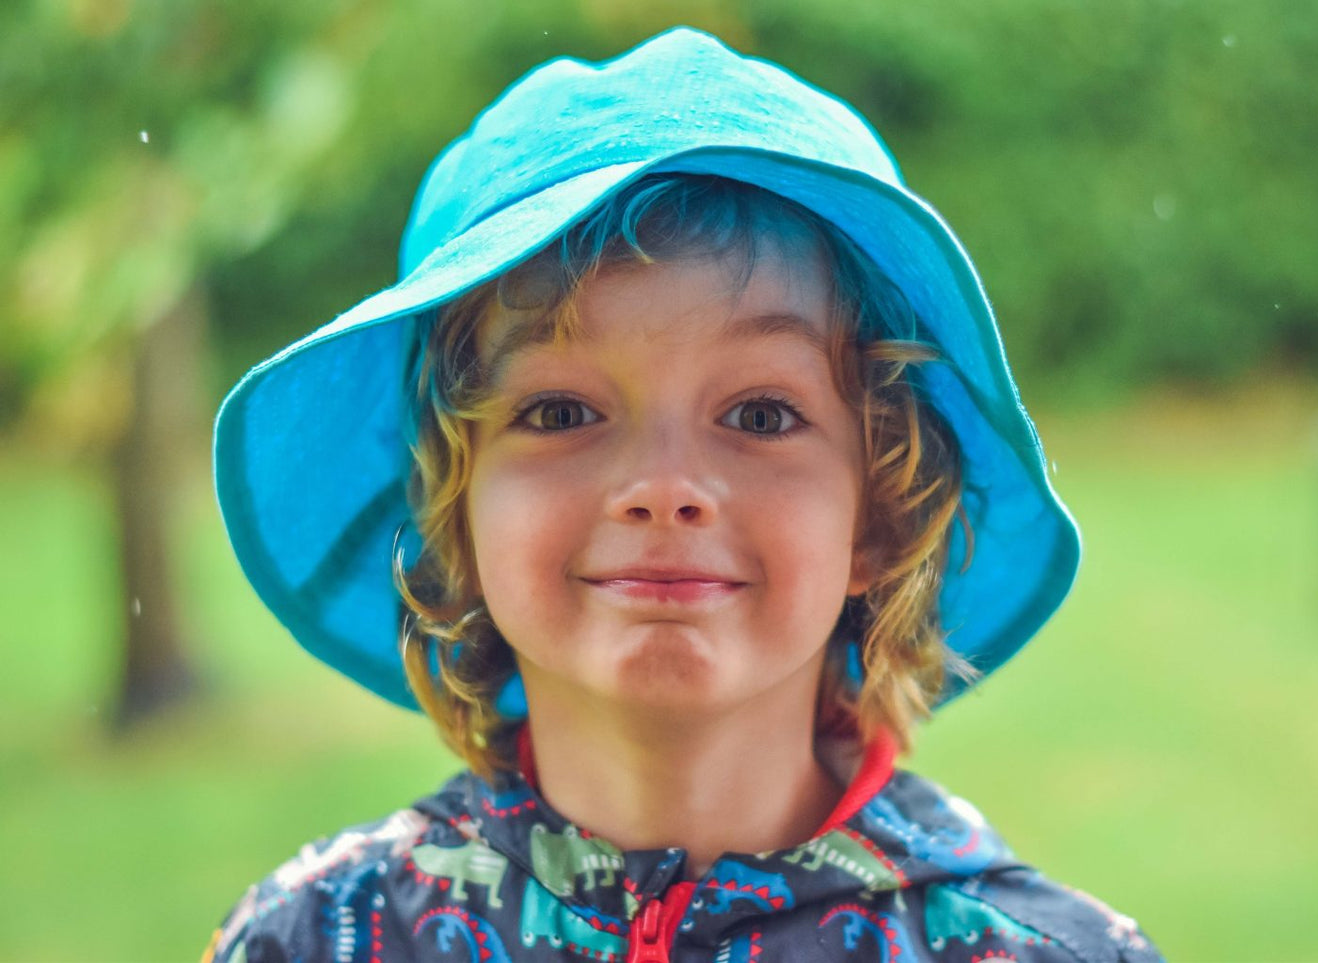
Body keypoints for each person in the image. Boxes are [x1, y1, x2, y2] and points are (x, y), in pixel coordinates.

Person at [206, 27, 1162, 963]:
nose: (663, 490)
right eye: (559, 410)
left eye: (757, 414)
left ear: (879, 512)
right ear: (453, 508)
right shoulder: (315, 937)